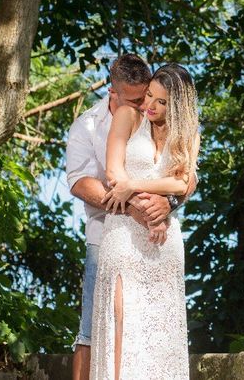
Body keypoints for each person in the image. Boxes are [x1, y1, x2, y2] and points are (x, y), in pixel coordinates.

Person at [65, 54, 196, 380]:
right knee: (98, 328)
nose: (146, 105)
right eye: (141, 97)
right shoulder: (91, 124)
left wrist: (166, 204)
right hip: (112, 233)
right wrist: (138, 208)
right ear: (115, 92)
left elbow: (185, 180)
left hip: (161, 237)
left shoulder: (180, 130)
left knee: (157, 331)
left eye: (153, 97)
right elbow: (87, 180)